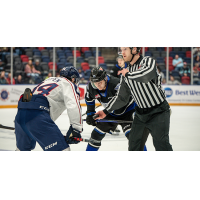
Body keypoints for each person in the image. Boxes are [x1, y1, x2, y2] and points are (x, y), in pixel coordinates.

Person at [96, 47, 173, 151]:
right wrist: (106, 111)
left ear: (134, 49)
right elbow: (122, 98)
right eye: (121, 50)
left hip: (158, 111)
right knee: (134, 146)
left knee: (161, 145)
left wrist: (127, 74)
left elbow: (145, 76)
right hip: (140, 115)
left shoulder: (147, 61)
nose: (122, 53)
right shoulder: (125, 73)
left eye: (125, 49)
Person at [14, 66, 83, 151]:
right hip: (37, 115)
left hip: (21, 114)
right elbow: (73, 105)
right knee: (63, 151)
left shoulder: (48, 80)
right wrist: (76, 129)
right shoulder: (69, 84)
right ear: (73, 79)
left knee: (21, 151)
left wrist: (25, 124)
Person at [85, 66, 148, 151]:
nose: (97, 85)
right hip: (109, 113)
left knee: (135, 138)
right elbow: (89, 99)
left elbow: (122, 100)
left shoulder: (117, 84)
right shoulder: (91, 87)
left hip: (127, 113)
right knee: (95, 136)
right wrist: (90, 113)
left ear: (105, 79)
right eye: (94, 83)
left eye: (99, 82)